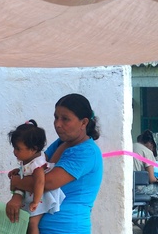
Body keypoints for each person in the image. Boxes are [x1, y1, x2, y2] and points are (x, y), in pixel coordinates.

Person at [6, 93, 103, 234]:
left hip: (66, 228)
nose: (58, 124)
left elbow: (47, 182)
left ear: (84, 122)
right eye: (56, 117)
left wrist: (16, 181)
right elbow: (35, 167)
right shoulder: (61, 143)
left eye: (65, 119)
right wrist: (17, 194)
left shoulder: (87, 152)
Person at [8, 120, 65, 234]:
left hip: (41, 196)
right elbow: (26, 171)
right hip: (34, 194)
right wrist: (18, 171)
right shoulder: (28, 159)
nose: (15, 152)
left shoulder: (37, 165)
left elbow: (40, 182)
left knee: (32, 223)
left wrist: (35, 201)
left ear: (33, 149)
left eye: (18, 149)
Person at [133, 129, 158, 195]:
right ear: (151, 143)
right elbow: (151, 179)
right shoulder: (147, 152)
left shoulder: (131, 146)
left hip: (127, 187)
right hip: (138, 190)